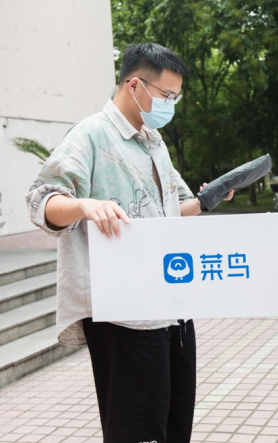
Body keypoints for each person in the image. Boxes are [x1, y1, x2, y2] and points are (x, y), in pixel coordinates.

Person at [25, 43, 232, 443]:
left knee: (174, 422)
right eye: (166, 95)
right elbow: (41, 202)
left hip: (170, 303)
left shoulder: (154, 141)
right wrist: (85, 205)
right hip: (121, 311)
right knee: (135, 428)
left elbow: (171, 209)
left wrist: (207, 201)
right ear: (134, 85)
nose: (170, 105)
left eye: (175, 98)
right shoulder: (91, 135)